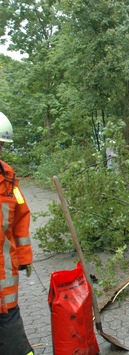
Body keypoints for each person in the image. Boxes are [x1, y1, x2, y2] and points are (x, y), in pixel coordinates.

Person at [0, 112, 34, 355]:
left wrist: (24, 256)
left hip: (5, 280)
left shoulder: (8, 177)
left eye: (1, 145)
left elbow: (21, 216)